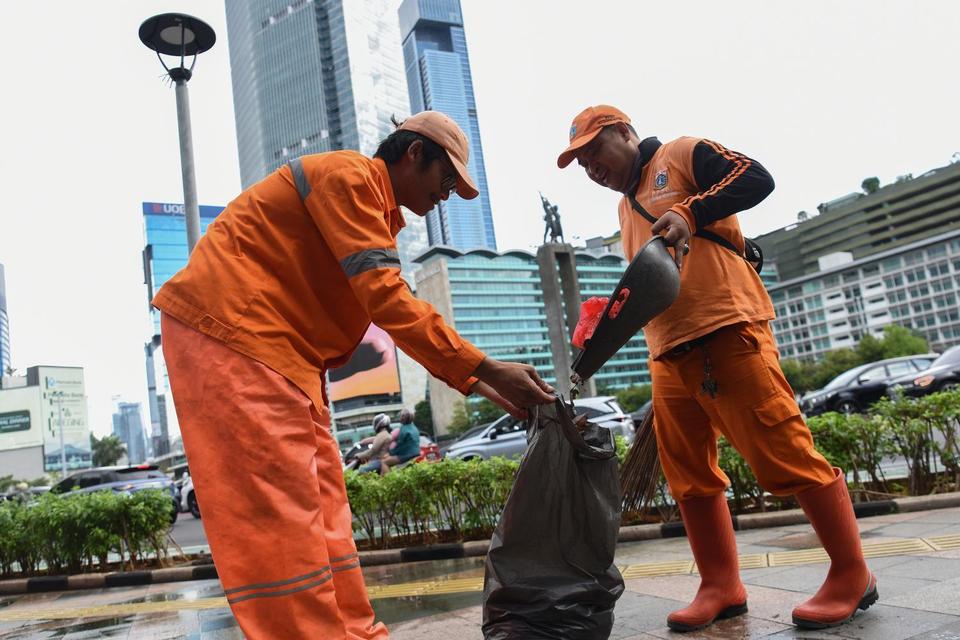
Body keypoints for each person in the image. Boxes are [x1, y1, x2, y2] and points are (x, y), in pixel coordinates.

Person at [154, 110, 555, 640]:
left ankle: (356, 632)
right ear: (414, 153)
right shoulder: (351, 179)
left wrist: (485, 384)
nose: (449, 195)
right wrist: (487, 369)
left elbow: (388, 305)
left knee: (325, 511)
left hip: (285, 356)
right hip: (234, 336)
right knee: (281, 520)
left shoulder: (371, 207)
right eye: (447, 179)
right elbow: (388, 301)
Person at [557, 105, 876, 632]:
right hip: (668, 351)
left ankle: (851, 573)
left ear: (623, 132)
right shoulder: (624, 210)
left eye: (595, 151)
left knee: (787, 454)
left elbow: (756, 177)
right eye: (582, 162)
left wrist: (689, 211)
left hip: (727, 329)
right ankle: (720, 586)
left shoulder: (679, 154)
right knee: (690, 480)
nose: (591, 168)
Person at [379, 408, 420, 475]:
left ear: (403, 418)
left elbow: (400, 446)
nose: (399, 418)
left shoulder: (403, 429)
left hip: (407, 454)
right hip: (416, 452)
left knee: (384, 462)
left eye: (401, 416)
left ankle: (389, 481)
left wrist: (390, 453)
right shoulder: (414, 427)